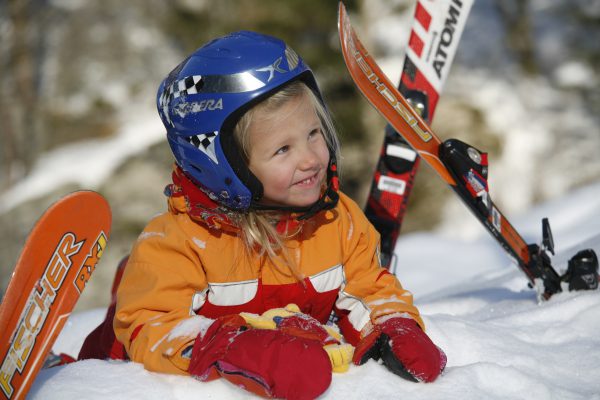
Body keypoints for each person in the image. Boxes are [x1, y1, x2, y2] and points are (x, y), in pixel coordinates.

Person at [78, 31, 446, 399]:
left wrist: (393, 326)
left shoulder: (338, 222)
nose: (312, 159)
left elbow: (370, 288)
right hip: (120, 381)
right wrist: (236, 349)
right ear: (224, 167)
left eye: (314, 133)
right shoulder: (179, 244)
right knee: (129, 288)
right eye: (283, 149)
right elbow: (152, 326)